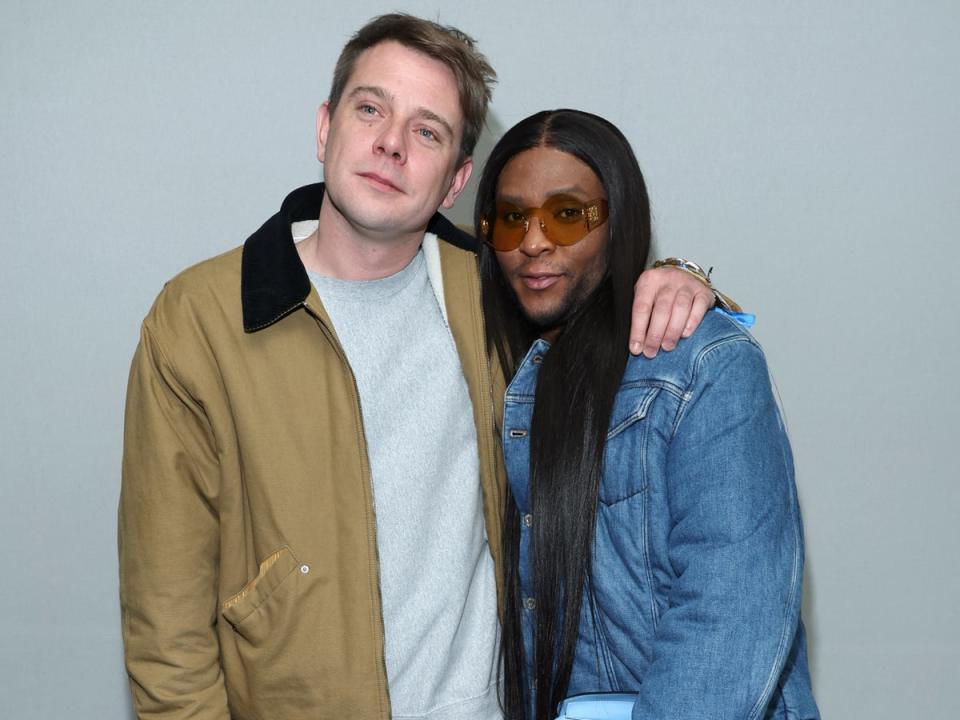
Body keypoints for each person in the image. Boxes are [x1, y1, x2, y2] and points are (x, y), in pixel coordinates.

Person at [119, 15, 720, 720]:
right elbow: (167, 632)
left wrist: (683, 279)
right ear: (325, 127)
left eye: (427, 131)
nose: (390, 144)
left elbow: (626, 312)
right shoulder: (200, 320)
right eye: (370, 107)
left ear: (454, 182)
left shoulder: (496, 291)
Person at [475, 109, 820, 720]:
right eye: (511, 218)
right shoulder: (506, 375)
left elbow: (729, 612)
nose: (533, 241)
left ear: (618, 221)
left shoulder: (703, 364)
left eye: (567, 214)